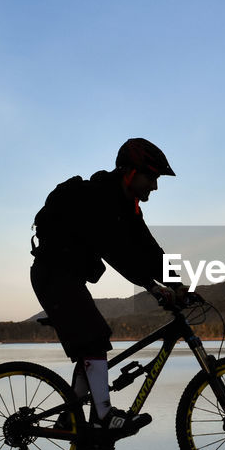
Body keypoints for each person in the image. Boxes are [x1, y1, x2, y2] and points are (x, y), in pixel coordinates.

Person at [29, 137, 184, 431]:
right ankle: (102, 417)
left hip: (66, 277)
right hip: (52, 275)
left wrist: (176, 284)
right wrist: (151, 287)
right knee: (93, 338)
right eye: (151, 177)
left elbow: (147, 249)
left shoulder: (128, 207)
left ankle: (69, 419)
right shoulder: (99, 198)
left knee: (94, 341)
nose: (155, 186)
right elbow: (114, 251)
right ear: (131, 172)